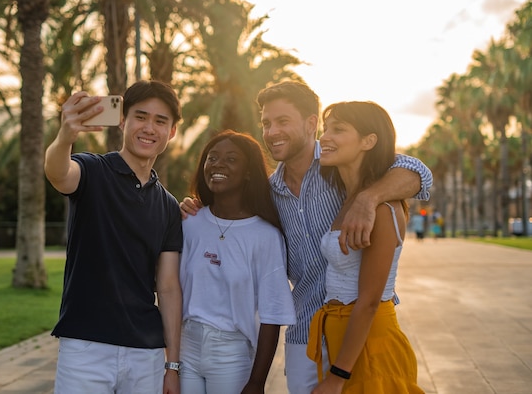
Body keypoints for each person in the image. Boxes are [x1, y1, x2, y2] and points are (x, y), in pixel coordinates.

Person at [181, 81, 432, 394]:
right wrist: (195, 207)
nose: (271, 132)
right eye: (266, 124)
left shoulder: (341, 164)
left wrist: (369, 198)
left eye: (282, 122)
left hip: (360, 329)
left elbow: (419, 172)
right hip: (304, 333)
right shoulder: (267, 192)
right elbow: (227, 208)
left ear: (311, 123)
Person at [44, 80, 183, 394]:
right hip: (85, 349)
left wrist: (172, 365)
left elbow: (169, 287)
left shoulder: (169, 206)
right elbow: (58, 173)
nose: (149, 128)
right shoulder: (92, 170)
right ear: (123, 120)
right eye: (141, 116)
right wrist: (66, 135)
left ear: (171, 132)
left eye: (160, 121)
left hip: (146, 355)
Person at [307, 101, 424, 393]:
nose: (326, 137)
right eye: (326, 129)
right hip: (343, 339)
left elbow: (370, 300)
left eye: (339, 129)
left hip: (371, 345)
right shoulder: (350, 198)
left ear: (369, 141)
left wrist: (337, 376)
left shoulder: (382, 207)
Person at [179, 130, 296, 394]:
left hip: (231, 353)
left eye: (231, 159)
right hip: (185, 347)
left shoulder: (265, 235)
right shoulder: (189, 223)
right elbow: (168, 287)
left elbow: (272, 315)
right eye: (212, 158)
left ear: (248, 172)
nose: (218, 164)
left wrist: (257, 382)